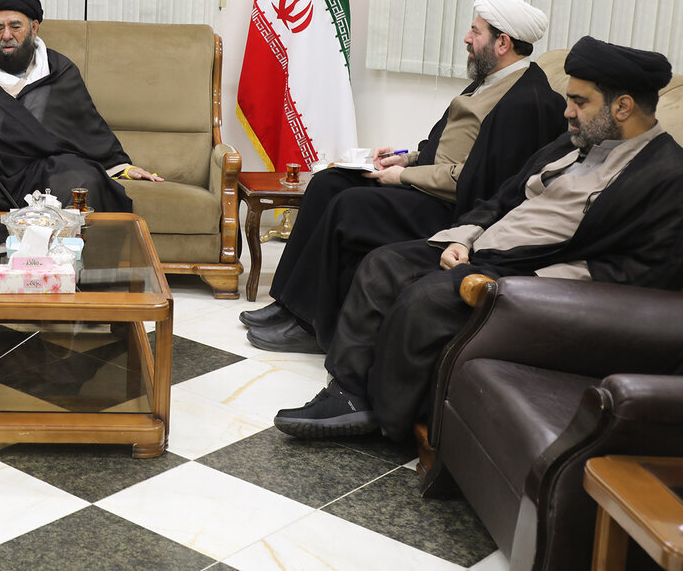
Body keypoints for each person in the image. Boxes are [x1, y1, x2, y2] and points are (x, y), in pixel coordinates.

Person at [274, 36, 683, 439]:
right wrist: (462, 238)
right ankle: (347, 393)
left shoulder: (665, 177)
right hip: (479, 251)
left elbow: (639, 273)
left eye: (579, 102)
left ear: (622, 107)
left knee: (424, 299)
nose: (567, 112)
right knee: (382, 264)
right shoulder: (574, 143)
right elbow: (503, 197)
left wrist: (531, 284)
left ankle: (387, 417)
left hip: (528, 277)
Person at [243, 0, 565, 353]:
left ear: (502, 42)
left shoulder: (525, 102)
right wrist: (405, 159)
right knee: (327, 183)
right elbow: (448, 147)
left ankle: (310, 325)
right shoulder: (491, 80)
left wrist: (403, 176)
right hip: (428, 186)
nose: (466, 38)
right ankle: (287, 303)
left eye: (475, 32)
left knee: (349, 206)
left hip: (452, 210)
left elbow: (476, 180)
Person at [0, 0, 163, 297]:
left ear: (34, 27)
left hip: (45, 164)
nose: (6, 35)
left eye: (15, 26)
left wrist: (123, 167)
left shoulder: (60, 70)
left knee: (82, 179)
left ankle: (66, 283)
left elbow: (86, 128)